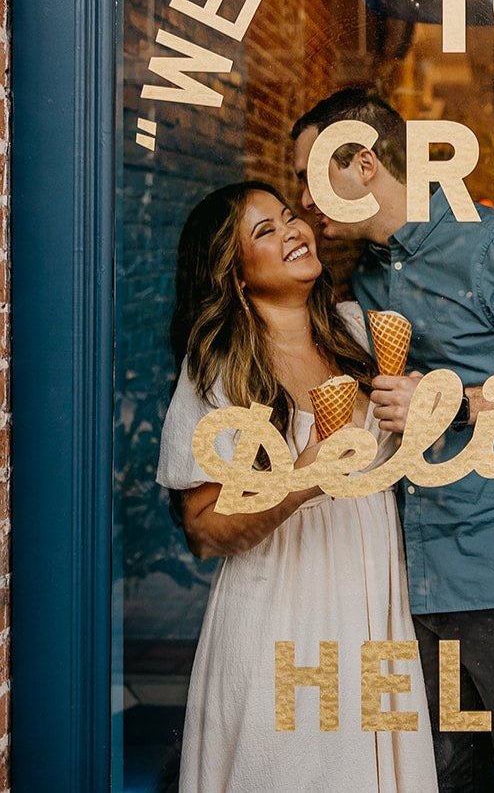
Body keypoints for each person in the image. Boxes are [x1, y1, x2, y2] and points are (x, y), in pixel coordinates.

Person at [292, 90, 494, 793]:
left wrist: (458, 404)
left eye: (308, 174)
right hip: (424, 563)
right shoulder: (371, 273)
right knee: (443, 776)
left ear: (362, 163)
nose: (302, 197)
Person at [156, 181, 438, 793]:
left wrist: (414, 411)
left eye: (288, 218)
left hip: (373, 602)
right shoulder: (220, 370)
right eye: (264, 231)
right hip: (282, 612)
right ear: (234, 276)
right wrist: (304, 478)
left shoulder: (356, 333)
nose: (292, 231)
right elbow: (203, 528)